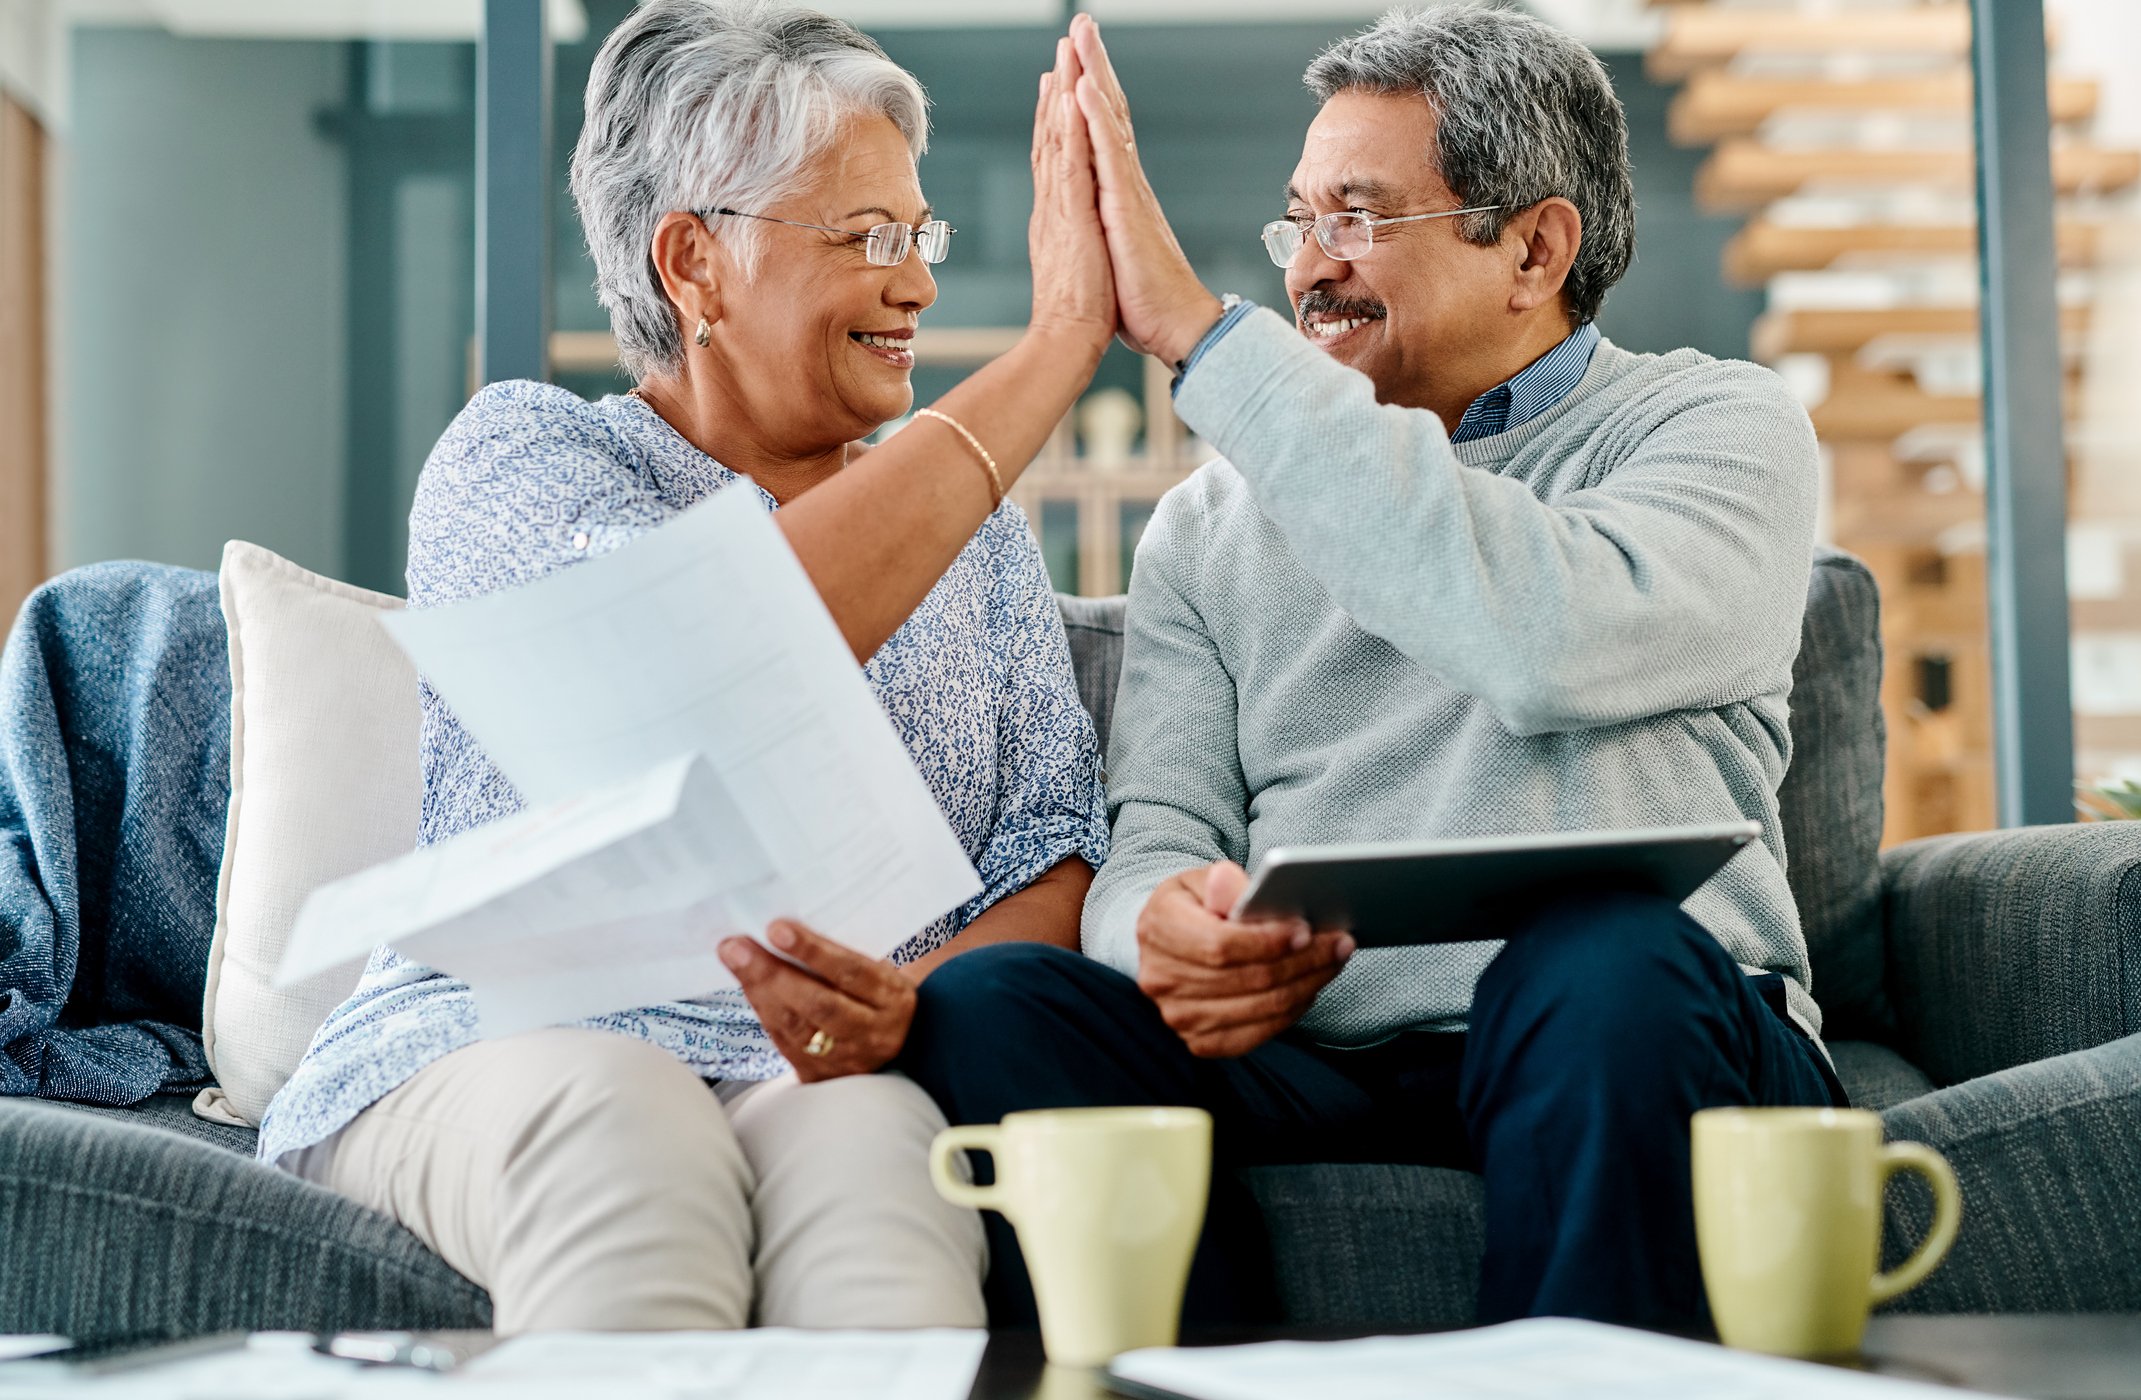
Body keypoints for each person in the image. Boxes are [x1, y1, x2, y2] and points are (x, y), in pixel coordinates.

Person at [900, 7, 1844, 1333]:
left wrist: (1196, 334)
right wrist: (1163, 934)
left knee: (1594, 955)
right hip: (1315, 1057)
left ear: (1532, 247)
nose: (1307, 269)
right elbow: (1160, 833)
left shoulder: (1712, 431)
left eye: (1356, 218)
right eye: (1300, 222)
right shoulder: (1211, 525)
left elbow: (1534, 640)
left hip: (1638, 1031)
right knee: (997, 1003)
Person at [256, 0, 1118, 1333]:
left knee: (881, 1167)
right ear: (694, 263)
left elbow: (1050, 852)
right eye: (867, 237)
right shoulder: (523, 461)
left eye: (918, 233)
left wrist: (907, 1009)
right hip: (504, 1044)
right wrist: (1054, 345)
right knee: (624, 1120)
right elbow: (725, 655)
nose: (918, 283)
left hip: (831, 1063)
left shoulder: (977, 537)